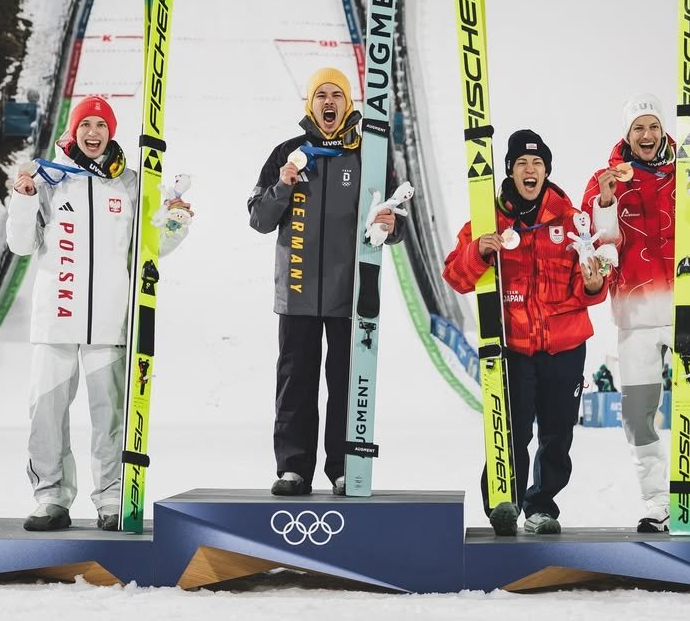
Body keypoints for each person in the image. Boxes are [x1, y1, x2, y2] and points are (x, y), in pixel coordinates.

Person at [6, 95, 192, 532]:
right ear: (73, 131)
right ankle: (50, 496)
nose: (93, 133)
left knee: (110, 419)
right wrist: (23, 198)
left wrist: (177, 222)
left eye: (101, 125)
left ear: (111, 132)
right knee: (46, 416)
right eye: (85, 124)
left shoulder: (129, 183)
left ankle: (111, 498)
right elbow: (19, 244)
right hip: (56, 320)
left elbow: (153, 247)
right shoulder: (48, 177)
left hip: (109, 324)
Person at [582, 93, 690, 536]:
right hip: (635, 315)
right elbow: (598, 245)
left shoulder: (688, 171)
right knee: (638, 415)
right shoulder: (605, 179)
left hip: (689, 307)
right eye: (638, 128)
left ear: (663, 131)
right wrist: (607, 201)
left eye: (653, 126)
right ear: (626, 135)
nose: (648, 135)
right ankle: (657, 502)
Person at [248, 68, 405, 497]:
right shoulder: (288, 152)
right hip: (296, 293)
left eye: (337, 94)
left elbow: (398, 220)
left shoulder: (368, 154)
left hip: (348, 294)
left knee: (345, 384)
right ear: (310, 104)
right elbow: (259, 219)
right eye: (322, 95)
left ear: (348, 103)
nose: (329, 102)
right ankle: (294, 468)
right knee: (295, 383)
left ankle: (342, 467)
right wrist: (282, 186)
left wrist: (390, 224)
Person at [443, 130, 609, 536]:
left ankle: (541, 506)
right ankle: (504, 502)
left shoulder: (572, 221)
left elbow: (592, 286)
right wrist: (478, 251)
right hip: (514, 348)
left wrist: (591, 283)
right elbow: (455, 275)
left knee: (558, 433)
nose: (530, 170)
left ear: (547, 171)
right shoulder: (489, 221)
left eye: (537, 164)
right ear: (510, 172)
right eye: (522, 164)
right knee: (509, 429)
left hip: (565, 346)